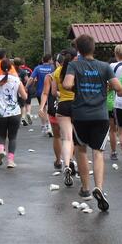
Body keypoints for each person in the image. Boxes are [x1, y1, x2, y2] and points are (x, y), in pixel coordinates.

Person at [62, 34, 122, 211]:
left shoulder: (74, 65)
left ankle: (85, 189)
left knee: (81, 151)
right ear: (93, 48)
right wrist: (105, 86)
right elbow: (119, 87)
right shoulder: (104, 67)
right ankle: (100, 187)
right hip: (100, 115)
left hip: (80, 115)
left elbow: (67, 85)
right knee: (98, 153)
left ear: (79, 50)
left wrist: (77, 85)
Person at [0, 58, 28, 168]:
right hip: (15, 112)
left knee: (1, 135)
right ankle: (10, 161)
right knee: (13, 137)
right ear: (11, 67)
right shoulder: (16, 80)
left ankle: (1, 150)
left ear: (0, 68)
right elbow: (24, 96)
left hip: (1, 113)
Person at [51, 49, 78, 186]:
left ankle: (67, 164)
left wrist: (61, 94)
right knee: (78, 139)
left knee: (67, 138)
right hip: (78, 105)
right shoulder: (77, 70)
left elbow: (53, 92)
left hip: (62, 106)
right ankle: (77, 163)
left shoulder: (57, 72)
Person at [31, 54, 55, 137]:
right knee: (50, 109)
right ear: (49, 60)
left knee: (43, 109)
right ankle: (49, 126)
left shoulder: (37, 68)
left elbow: (31, 78)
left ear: (42, 60)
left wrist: (26, 87)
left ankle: (44, 125)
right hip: (51, 91)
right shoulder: (53, 68)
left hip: (40, 91)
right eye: (51, 60)